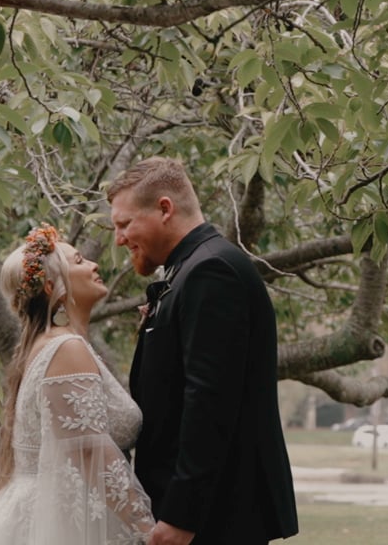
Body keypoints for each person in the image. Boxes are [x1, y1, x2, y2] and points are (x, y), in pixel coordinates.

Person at [111, 157, 299, 545]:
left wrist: (182, 515)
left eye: (124, 224)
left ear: (165, 209)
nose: (119, 239)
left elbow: (210, 401)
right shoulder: (190, 269)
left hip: (217, 519)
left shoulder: (211, 271)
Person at [0, 225, 155, 545]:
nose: (94, 265)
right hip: (63, 525)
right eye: (80, 261)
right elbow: (89, 451)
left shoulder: (54, 346)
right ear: (55, 286)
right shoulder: (66, 349)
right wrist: (148, 529)